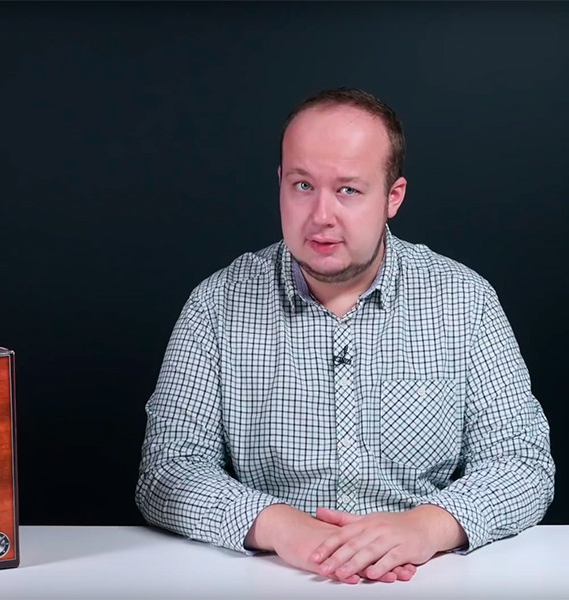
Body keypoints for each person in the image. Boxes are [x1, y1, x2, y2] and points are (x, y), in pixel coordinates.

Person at [135, 88, 555, 585]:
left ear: (393, 197)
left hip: (427, 579)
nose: (321, 216)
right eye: (302, 185)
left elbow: (522, 462)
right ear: (280, 182)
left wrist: (426, 527)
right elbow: (168, 470)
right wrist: (281, 527)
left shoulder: (465, 300)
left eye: (349, 190)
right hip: (273, 577)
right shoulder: (216, 304)